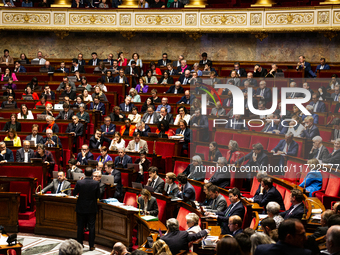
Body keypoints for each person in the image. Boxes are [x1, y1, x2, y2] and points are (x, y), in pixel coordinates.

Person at [73, 167, 100, 251]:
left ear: (84, 173)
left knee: (80, 227)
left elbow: (74, 193)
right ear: (92, 174)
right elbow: (98, 196)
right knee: (91, 227)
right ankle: (91, 245)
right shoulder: (96, 183)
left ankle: (80, 244)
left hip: (81, 208)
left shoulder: (79, 182)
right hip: (92, 208)